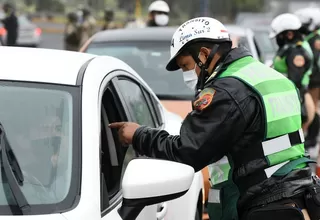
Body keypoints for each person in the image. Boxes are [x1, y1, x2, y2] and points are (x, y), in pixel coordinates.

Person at [110, 17, 320, 220]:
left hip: (261, 201)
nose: (186, 74)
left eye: (185, 66)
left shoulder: (226, 91)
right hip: (296, 194)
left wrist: (138, 135)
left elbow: (188, 150)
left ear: (203, 54)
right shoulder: (271, 77)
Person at [270, 13, 315, 133]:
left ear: (289, 34)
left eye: (279, 36)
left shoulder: (297, 52)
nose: (277, 39)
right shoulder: (291, 47)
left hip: (296, 99)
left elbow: (294, 81)